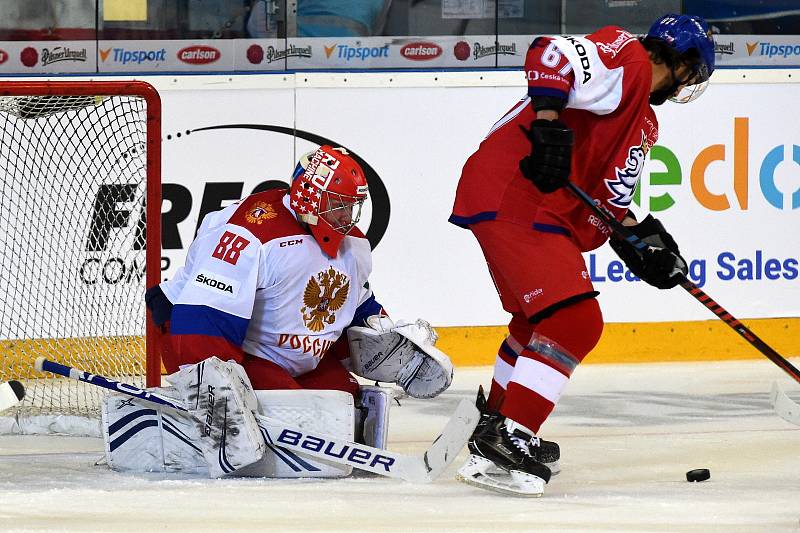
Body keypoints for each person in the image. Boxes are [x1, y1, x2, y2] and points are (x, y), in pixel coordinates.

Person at [448, 14, 715, 496]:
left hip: (533, 206)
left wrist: (645, 244)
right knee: (576, 321)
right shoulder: (627, 56)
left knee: (534, 325)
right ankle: (509, 438)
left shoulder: (644, 121)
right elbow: (550, 51)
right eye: (694, 75)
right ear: (685, 64)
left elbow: (610, 202)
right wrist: (548, 124)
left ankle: (497, 425)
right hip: (516, 194)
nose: (688, 86)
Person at [141, 145, 453, 477]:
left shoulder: (354, 246)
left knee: (344, 405)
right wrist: (214, 394)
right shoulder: (251, 234)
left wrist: (386, 337)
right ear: (308, 197)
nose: (346, 218)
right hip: (195, 333)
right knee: (302, 416)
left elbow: (356, 308)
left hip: (276, 350)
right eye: (337, 206)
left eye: (352, 207)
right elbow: (202, 318)